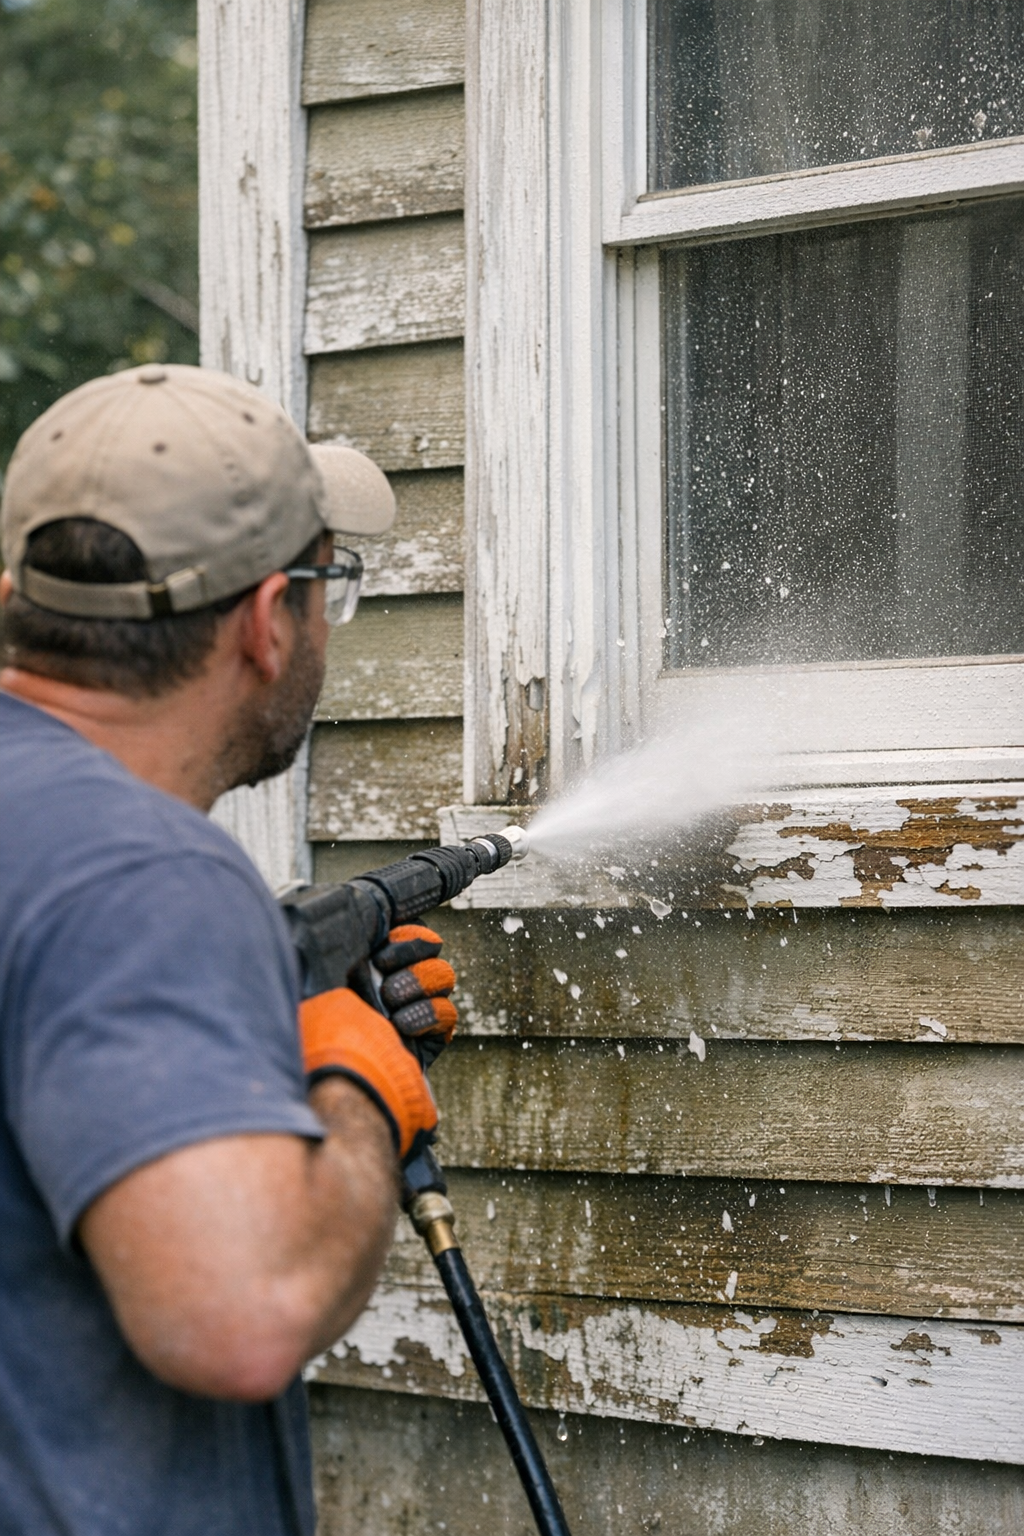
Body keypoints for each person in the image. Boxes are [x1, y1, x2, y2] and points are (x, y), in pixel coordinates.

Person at [0, 364, 459, 1536]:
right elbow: (239, 1314)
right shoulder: (144, 880)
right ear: (267, 621)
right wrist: (358, 1080)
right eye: (325, 585)